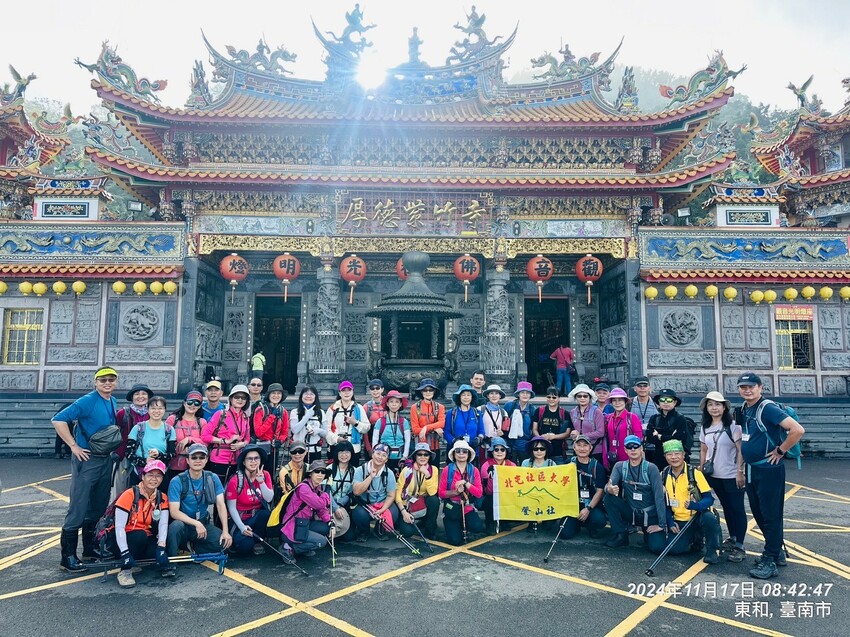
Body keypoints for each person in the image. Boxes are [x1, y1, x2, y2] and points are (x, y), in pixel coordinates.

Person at [52, 367, 122, 571]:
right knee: (78, 507)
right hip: (87, 459)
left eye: (111, 379)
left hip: (104, 459)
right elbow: (58, 420)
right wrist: (73, 446)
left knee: (98, 506)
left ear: (115, 382)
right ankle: (68, 557)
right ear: (95, 382)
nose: (107, 383)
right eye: (103, 380)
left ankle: (89, 549)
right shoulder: (87, 401)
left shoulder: (112, 400)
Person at [736, 372, 804, 579]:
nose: (747, 390)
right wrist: (740, 468)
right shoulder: (744, 409)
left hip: (768, 469)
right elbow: (743, 439)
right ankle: (776, 551)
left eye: (751, 386)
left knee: (771, 513)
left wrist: (781, 450)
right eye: (743, 387)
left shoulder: (768, 408)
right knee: (758, 512)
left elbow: (797, 430)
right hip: (752, 468)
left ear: (760, 387)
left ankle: (770, 558)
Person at [698, 391, 747, 563]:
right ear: (706, 408)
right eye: (710, 404)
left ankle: (740, 545)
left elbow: (741, 449)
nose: (714, 408)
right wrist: (701, 468)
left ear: (724, 407)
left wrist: (740, 471)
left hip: (732, 475)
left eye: (717, 404)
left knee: (737, 509)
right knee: (726, 507)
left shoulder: (733, 426)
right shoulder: (706, 426)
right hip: (714, 475)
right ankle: (732, 538)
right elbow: (704, 449)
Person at [657, 440, 721, 564]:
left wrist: (696, 506)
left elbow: (709, 499)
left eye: (677, 453)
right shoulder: (663, 475)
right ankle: (693, 538)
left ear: (683, 454)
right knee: (675, 550)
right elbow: (663, 502)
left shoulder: (694, 473)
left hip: (697, 516)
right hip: (679, 520)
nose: (674, 457)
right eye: (669, 454)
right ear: (665, 456)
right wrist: (670, 522)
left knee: (709, 518)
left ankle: (711, 551)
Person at [166, 443, 233, 558]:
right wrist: (196, 523)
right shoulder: (177, 481)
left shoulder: (212, 478)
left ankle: (193, 546)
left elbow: (221, 505)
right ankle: (170, 563)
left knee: (224, 544)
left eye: (201, 457)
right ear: (187, 460)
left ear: (206, 460)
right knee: (175, 527)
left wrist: (225, 532)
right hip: (185, 524)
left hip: (203, 523)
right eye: (194, 457)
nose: (198, 460)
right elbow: (174, 512)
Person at [112, 459, 171, 587]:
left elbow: (163, 524)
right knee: (139, 536)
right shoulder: (129, 494)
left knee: (157, 549)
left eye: (158, 476)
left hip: (144, 535)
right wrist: (124, 552)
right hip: (121, 539)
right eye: (150, 475)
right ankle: (125, 570)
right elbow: (119, 527)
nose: (154, 479)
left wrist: (161, 547)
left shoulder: (162, 497)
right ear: (143, 476)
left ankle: (136, 561)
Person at [603, 435, 667, 553]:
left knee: (657, 547)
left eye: (636, 446)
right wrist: (609, 489)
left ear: (641, 449)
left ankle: (649, 534)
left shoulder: (651, 468)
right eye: (629, 447)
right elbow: (609, 485)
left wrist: (662, 524)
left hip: (649, 515)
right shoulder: (620, 466)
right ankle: (621, 535)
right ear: (625, 450)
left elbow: (659, 497)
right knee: (608, 498)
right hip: (632, 513)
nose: (633, 449)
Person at [225, 445, 274, 555]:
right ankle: (246, 539)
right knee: (245, 547)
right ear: (243, 462)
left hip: (256, 517)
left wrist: (261, 482)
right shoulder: (236, 480)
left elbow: (269, 498)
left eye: (256, 458)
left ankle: (257, 541)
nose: (253, 462)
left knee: (266, 514)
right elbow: (231, 508)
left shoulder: (265, 475)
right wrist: (242, 527)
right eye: (249, 459)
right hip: (240, 518)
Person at [280, 460, 333, 558]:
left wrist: (329, 521)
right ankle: (288, 548)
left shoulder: (317, 488)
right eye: (317, 471)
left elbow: (321, 510)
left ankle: (303, 546)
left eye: (323, 472)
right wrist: (327, 492)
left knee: (325, 527)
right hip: (292, 527)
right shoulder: (303, 488)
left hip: (303, 524)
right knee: (322, 542)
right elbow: (319, 504)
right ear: (310, 474)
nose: (320, 474)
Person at [201, 385, 251, 486]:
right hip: (219, 459)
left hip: (237, 460)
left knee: (232, 491)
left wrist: (241, 444)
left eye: (243, 397)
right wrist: (225, 441)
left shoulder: (245, 417)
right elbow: (205, 436)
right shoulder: (221, 414)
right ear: (231, 399)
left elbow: (247, 438)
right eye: (237, 397)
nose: (240, 400)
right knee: (218, 491)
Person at [561, 435, 606, 539]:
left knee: (599, 520)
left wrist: (588, 508)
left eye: (585, 445)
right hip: (572, 505)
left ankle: (590, 526)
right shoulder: (568, 464)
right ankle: (576, 524)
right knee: (565, 534)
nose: (582, 448)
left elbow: (600, 490)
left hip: (590, 504)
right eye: (579, 445)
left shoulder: (596, 466)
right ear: (574, 447)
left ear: (590, 448)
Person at [439, 440, 484, 545]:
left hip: (467, 507)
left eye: (464, 451)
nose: (461, 454)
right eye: (458, 451)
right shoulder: (447, 470)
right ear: (454, 454)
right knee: (455, 541)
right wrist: (455, 492)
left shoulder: (474, 470)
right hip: (452, 507)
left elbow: (479, 493)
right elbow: (441, 493)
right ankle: (451, 522)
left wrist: (466, 483)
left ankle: (462, 524)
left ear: (468, 454)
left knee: (477, 527)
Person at [351, 443, 399, 541]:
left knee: (393, 512)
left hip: (382, 503)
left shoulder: (389, 473)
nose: (380, 457)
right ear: (372, 454)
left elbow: (391, 495)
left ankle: (379, 530)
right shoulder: (361, 470)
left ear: (386, 459)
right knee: (359, 514)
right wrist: (370, 477)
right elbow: (356, 492)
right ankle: (364, 531)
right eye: (378, 454)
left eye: (384, 455)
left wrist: (383, 509)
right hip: (365, 504)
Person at [126, 396, 176, 487]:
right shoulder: (138, 428)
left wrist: (159, 455)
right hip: (140, 473)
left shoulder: (169, 430)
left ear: (165, 410)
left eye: (160, 408)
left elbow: (172, 454)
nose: (156, 411)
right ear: (148, 409)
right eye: (153, 408)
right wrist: (145, 461)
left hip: (160, 474)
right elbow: (129, 453)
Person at [112, 384, 152, 496]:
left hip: (144, 457)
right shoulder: (123, 413)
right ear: (132, 397)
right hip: (124, 457)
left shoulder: (151, 414)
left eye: (144, 393)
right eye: (137, 394)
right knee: (121, 489)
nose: (141, 396)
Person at [396, 442, 440, 540]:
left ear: (429, 457)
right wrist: (404, 512)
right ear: (415, 456)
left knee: (434, 500)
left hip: (423, 501)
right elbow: (398, 492)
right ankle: (407, 519)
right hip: (407, 503)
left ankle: (430, 529)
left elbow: (432, 493)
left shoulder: (434, 470)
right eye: (419, 454)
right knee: (407, 532)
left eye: (426, 454)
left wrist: (427, 475)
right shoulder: (407, 470)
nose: (422, 457)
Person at [644, 389, 692, 470]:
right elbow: (650, 438)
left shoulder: (680, 418)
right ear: (658, 402)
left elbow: (679, 439)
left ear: (675, 402)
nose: (665, 402)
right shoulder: (654, 418)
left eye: (669, 400)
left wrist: (660, 436)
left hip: (676, 458)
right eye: (662, 400)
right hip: (658, 457)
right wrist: (670, 436)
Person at [166, 391, 206, 483]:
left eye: (196, 403)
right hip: (174, 465)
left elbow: (205, 442)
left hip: (195, 466)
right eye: (190, 402)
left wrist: (189, 439)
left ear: (200, 406)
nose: (193, 405)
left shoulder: (202, 422)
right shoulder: (172, 419)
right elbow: (165, 439)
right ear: (184, 403)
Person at [479, 436, 515, 533]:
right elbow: (488, 490)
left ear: (506, 451)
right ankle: (490, 522)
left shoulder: (512, 465)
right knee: (490, 499)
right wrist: (492, 477)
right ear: (492, 452)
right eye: (496, 449)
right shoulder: (486, 466)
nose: (499, 452)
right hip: (490, 495)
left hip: (506, 494)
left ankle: (505, 521)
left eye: (502, 449)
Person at [325, 380, 370, 458]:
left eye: (349, 390)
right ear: (339, 393)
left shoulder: (358, 408)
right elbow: (326, 430)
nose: (346, 393)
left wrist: (355, 422)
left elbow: (366, 428)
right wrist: (337, 439)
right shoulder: (332, 409)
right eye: (343, 390)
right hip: (336, 446)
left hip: (354, 447)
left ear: (352, 392)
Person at [603, 388, 643, 473]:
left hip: (629, 457)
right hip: (613, 457)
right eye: (614, 400)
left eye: (620, 400)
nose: (617, 403)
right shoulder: (608, 418)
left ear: (625, 402)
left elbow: (639, 439)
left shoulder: (632, 417)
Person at [253, 382, 290, 471]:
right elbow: (258, 432)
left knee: (271, 474)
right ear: (268, 395)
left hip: (274, 449)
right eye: (273, 393)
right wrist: (272, 417)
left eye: (278, 393)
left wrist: (280, 440)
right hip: (261, 448)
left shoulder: (283, 411)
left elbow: (285, 431)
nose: (276, 396)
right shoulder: (260, 409)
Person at [372, 390, 411, 472]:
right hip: (383, 458)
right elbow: (375, 440)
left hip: (400, 458)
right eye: (391, 401)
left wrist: (405, 456)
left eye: (397, 402)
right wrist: (375, 455)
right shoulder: (380, 422)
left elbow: (407, 440)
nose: (394, 404)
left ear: (400, 404)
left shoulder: (404, 422)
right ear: (387, 403)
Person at [410, 378, 445, 465]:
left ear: (434, 391)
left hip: (434, 445)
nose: (428, 392)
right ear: (421, 392)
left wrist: (425, 428)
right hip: (420, 446)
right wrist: (435, 428)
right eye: (425, 390)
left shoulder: (440, 407)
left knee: (434, 472)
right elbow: (415, 429)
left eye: (430, 390)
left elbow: (442, 423)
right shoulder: (415, 407)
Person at [325, 440, 356, 541]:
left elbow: (352, 492)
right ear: (336, 454)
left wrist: (341, 503)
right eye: (341, 452)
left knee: (348, 537)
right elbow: (326, 491)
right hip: (329, 506)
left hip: (345, 506)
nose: (344, 455)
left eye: (347, 452)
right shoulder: (329, 470)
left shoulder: (354, 471)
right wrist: (335, 507)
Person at [532, 386, 572, 464]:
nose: (551, 399)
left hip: (558, 451)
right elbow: (534, 429)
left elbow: (567, 433)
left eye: (554, 397)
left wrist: (554, 437)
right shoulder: (539, 411)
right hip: (540, 451)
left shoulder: (565, 414)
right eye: (549, 397)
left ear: (559, 398)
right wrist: (541, 438)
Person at [568, 384, 605, 465]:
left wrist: (582, 436)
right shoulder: (573, 412)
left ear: (589, 397)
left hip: (595, 450)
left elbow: (601, 432)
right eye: (579, 396)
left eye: (585, 396)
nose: (582, 398)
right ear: (576, 398)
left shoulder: (596, 412)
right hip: (578, 450)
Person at [290, 385, 327, 464]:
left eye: (311, 394)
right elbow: (295, 429)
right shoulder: (295, 412)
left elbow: (325, 433)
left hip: (315, 450)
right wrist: (307, 415)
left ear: (315, 396)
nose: (308, 396)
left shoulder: (320, 412)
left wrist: (317, 430)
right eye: (306, 394)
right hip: (298, 451)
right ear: (301, 396)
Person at [445, 384, 484, 455]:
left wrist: (479, 438)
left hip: (472, 449)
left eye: (468, 395)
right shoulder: (452, 413)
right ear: (459, 397)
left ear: (472, 397)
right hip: (456, 450)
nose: (466, 397)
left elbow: (481, 431)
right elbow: (446, 431)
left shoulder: (477, 413)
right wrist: (453, 440)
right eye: (463, 395)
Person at [478, 384, 509, 466]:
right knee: (484, 468)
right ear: (488, 395)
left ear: (500, 396)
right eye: (491, 393)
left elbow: (506, 431)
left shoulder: (503, 412)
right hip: (484, 445)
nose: (494, 396)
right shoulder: (480, 409)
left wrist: (502, 433)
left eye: (496, 393)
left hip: (498, 447)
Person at [505, 381, 535, 464]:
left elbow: (534, 428)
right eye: (522, 392)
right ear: (518, 394)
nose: (525, 395)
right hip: (510, 443)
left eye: (527, 393)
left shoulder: (533, 409)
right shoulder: (510, 406)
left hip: (525, 444)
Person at [362, 379, 387, 459]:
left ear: (382, 389)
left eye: (377, 388)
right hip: (371, 442)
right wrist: (369, 448)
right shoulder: (366, 407)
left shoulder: (389, 404)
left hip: (387, 443)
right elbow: (365, 430)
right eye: (372, 388)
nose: (375, 390)